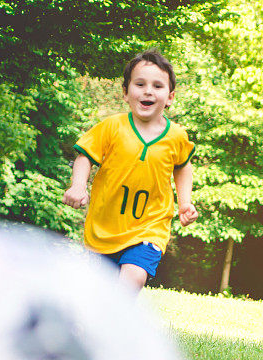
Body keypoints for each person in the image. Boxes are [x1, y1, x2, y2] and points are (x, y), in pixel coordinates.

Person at [62, 49, 197, 290]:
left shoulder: (176, 136)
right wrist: (78, 186)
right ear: (125, 92)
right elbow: (84, 155)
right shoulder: (112, 127)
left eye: (157, 86)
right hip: (105, 227)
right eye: (140, 84)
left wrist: (185, 202)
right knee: (98, 289)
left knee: (132, 278)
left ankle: (114, 323)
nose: (148, 91)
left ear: (170, 97)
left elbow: (183, 167)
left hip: (150, 226)